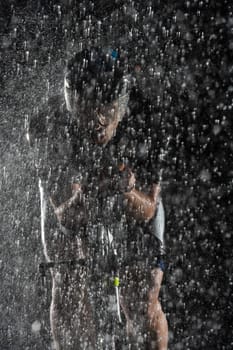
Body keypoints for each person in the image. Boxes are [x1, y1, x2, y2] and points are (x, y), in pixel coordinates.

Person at [30, 47, 168, 349]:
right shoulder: (48, 125)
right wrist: (93, 187)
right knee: (67, 285)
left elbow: (147, 211)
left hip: (124, 191)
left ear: (122, 106)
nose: (97, 122)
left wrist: (126, 190)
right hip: (74, 200)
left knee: (143, 296)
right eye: (84, 110)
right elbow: (67, 217)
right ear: (71, 105)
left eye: (107, 111)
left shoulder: (148, 120)